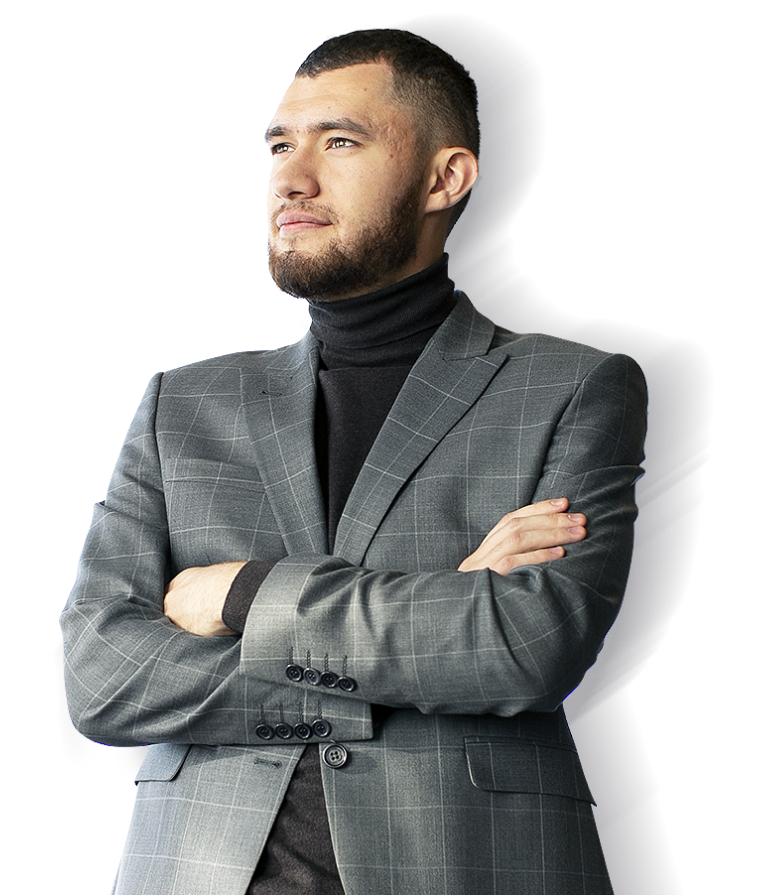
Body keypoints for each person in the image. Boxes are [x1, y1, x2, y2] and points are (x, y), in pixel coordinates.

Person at [60, 26, 647, 896]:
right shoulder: (182, 403)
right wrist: (439, 612)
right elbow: (101, 679)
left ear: (446, 178)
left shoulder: (572, 387)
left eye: (339, 141)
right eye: (279, 147)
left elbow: (528, 643)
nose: (292, 179)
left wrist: (244, 594)